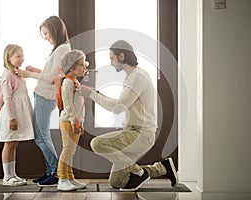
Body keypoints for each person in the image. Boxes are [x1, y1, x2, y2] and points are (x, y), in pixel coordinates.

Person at [78, 40, 178, 192]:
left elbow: (118, 108)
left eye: (112, 58)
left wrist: (91, 94)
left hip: (140, 134)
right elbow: (120, 103)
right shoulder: (132, 76)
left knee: (97, 143)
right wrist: (96, 93)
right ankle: (161, 169)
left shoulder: (137, 77)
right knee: (117, 182)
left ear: (122, 56)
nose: (111, 63)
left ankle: (139, 172)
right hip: (133, 133)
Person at [15, 16, 71, 186]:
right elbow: (53, 73)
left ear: (55, 30)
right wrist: (36, 70)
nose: (46, 37)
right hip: (43, 96)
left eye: (46, 33)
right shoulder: (60, 49)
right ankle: (50, 171)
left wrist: (28, 74)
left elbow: (53, 77)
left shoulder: (62, 49)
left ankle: (55, 172)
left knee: (41, 137)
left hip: (46, 97)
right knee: (41, 136)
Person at [0, 44, 34, 186]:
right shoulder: (7, 74)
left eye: (22, 56)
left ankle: (13, 174)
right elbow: (7, 98)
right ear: (9, 57)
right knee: (9, 144)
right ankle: (7, 176)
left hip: (18, 115)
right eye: (18, 56)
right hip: (11, 115)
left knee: (14, 144)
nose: (22, 59)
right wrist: (12, 118)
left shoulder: (17, 73)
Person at [56, 50, 88, 191]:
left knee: (71, 151)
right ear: (71, 67)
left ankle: (70, 177)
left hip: (74, 122)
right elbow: (68, 105)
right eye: (81, 64)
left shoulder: (74, 82)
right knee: (68, 150)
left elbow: (78, 105)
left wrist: (80, 123)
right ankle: (62, 179)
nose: (84, 67)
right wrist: (74, 122)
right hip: (68, 121)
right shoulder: (68, 83)